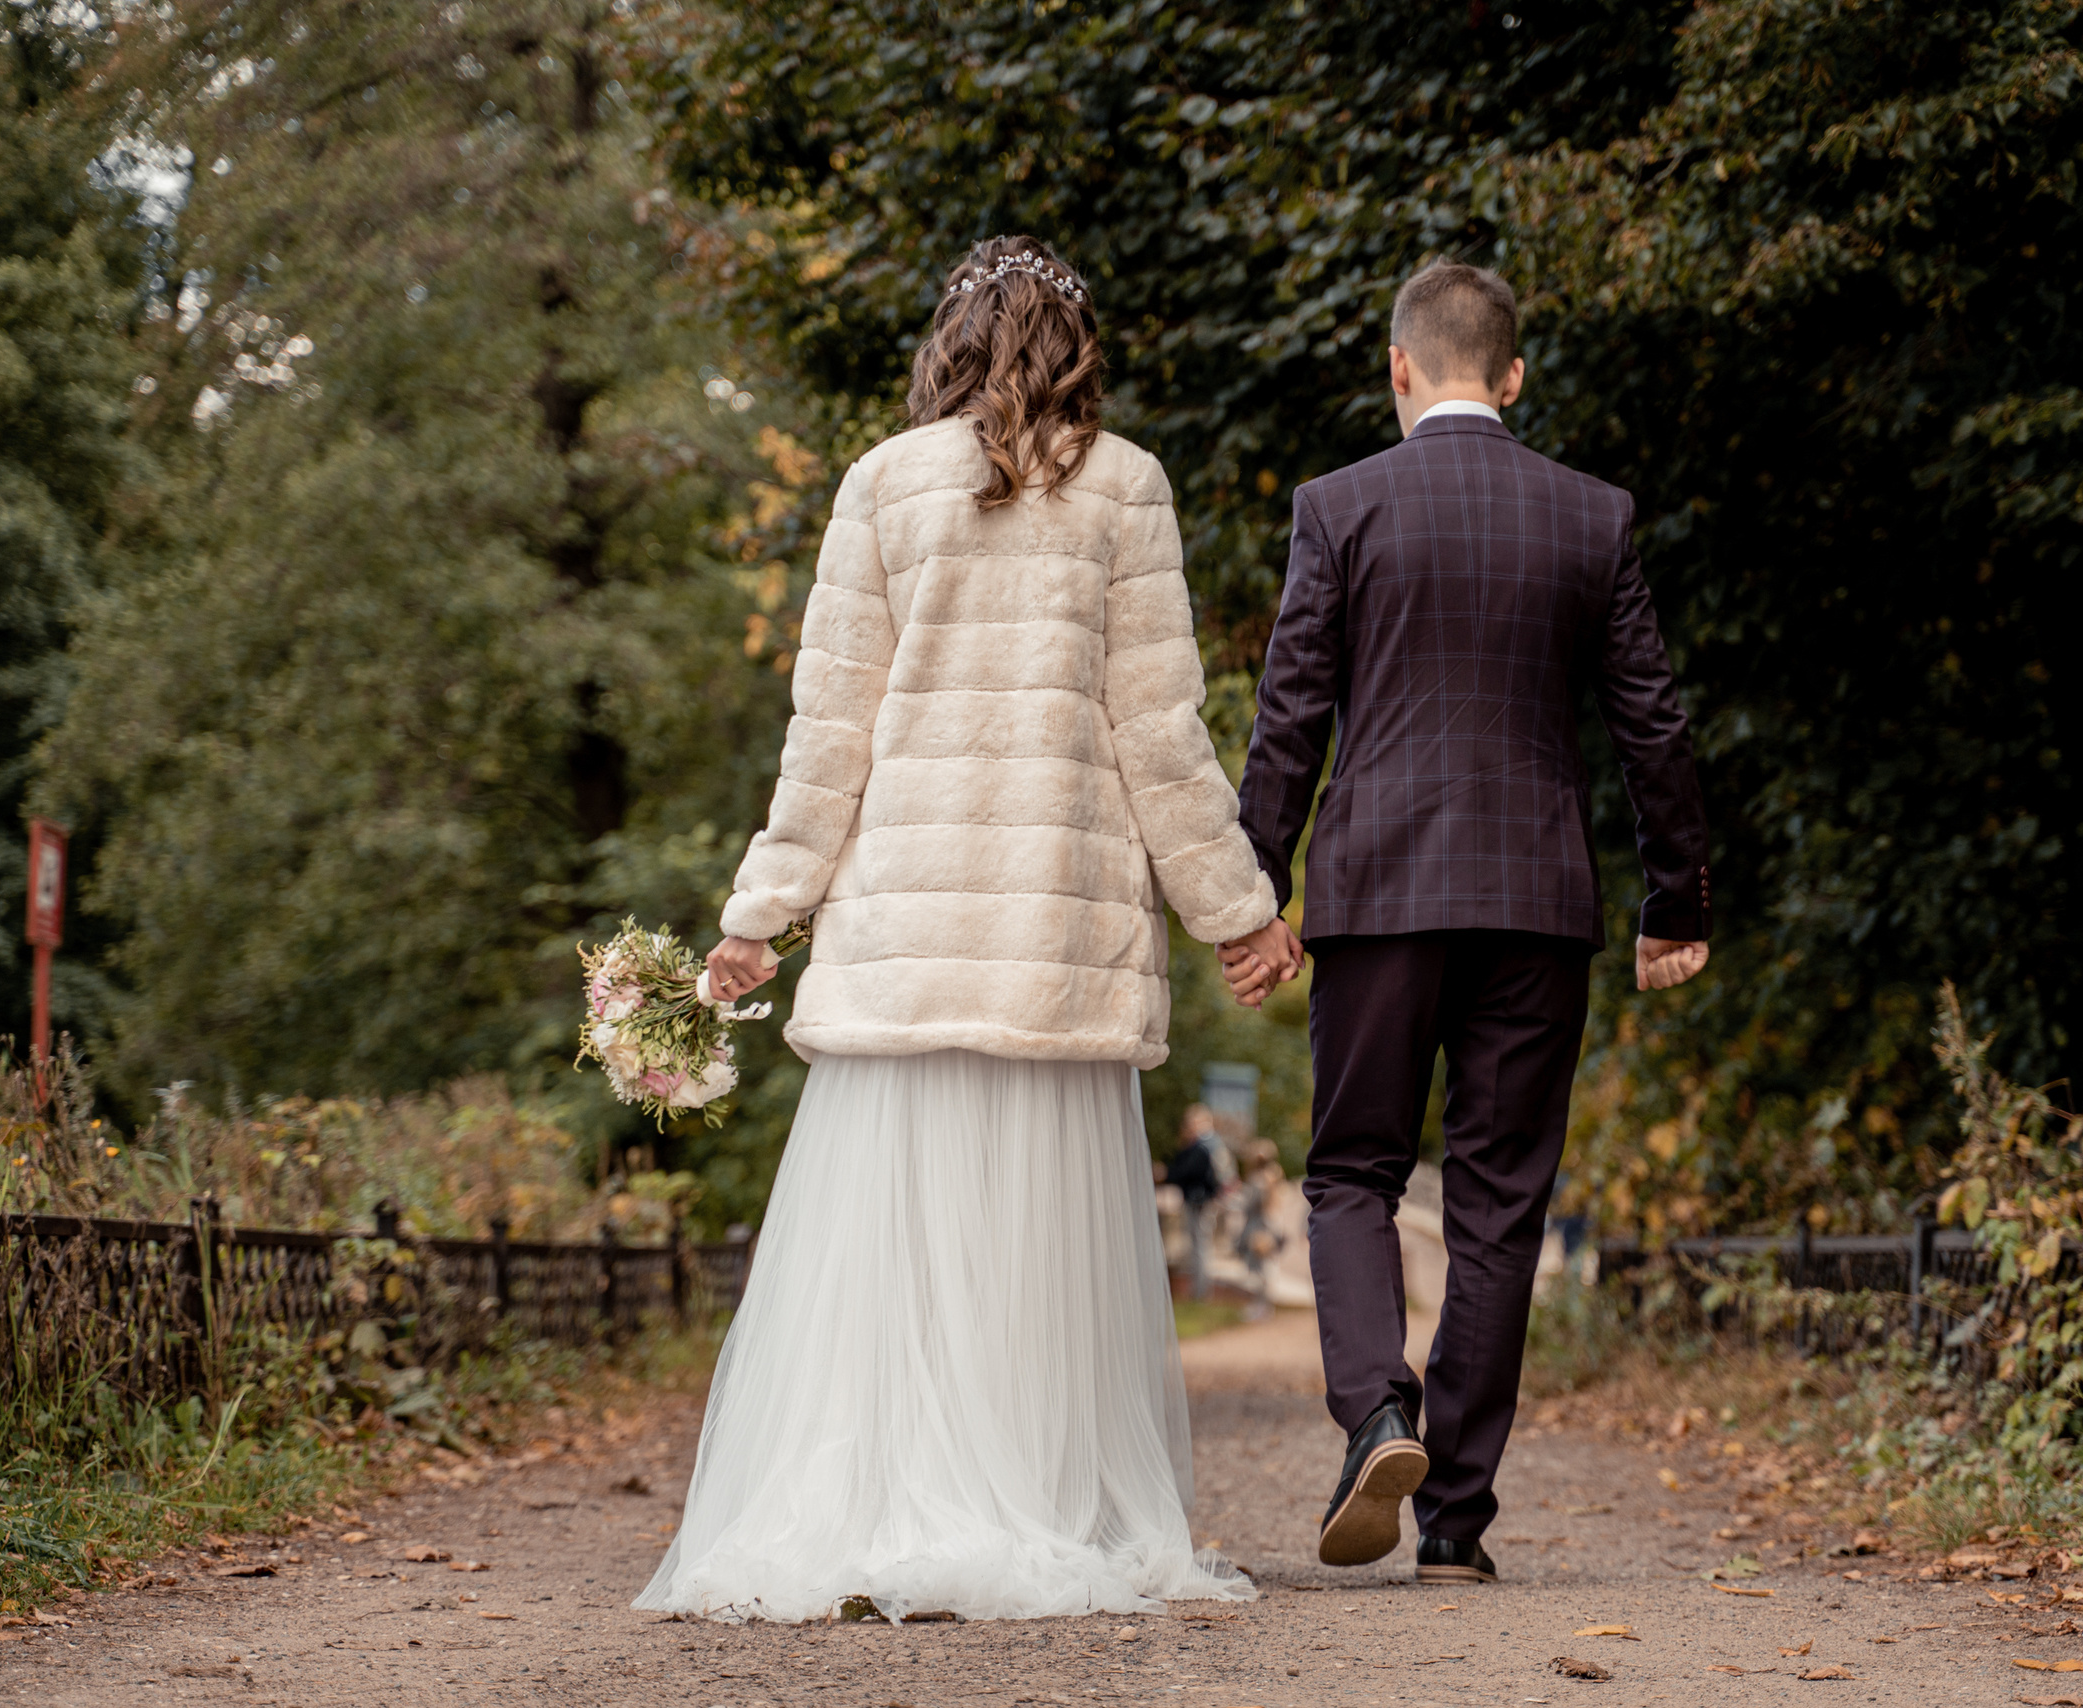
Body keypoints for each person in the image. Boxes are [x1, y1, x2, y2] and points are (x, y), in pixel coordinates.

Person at [637, 235, 1299, 1624]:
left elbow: (830, 737)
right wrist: (1240, 913)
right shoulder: (1126, 487)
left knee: (893, 1260)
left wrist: (760, 914)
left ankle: (880, 1513)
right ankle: (1038, 1511)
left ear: (946, 347)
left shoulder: (880, 486)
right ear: (1076, 345)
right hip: (1053, 951)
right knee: (1040, 1268)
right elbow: (1159, 737)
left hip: (906, 944)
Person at [1227, 259, 1710, 1588]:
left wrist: (1250, 895)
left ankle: (1377, 1411)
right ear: (1512, 377)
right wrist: (1679, 898)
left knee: (1351, 1176)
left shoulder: (1340, 508)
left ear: (1397, 367)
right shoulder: (1590, 516)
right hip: (1536, 907)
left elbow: (1290, 718)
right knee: (1501, 1206)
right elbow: (1650, 719)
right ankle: (1455, 1528)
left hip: (1378, 898)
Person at [1164, 1103, 1223, 1302]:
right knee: (1198, 1247)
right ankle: (1199, 1290)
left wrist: (1166, 1174)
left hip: (1200, 1201)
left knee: (1200, 1247)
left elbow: (1185, 1171)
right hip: (1201, 1200)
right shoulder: (1209, 1144)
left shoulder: (1204, 1146)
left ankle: (1201, 1292)